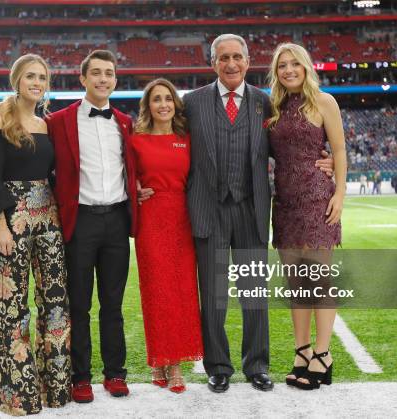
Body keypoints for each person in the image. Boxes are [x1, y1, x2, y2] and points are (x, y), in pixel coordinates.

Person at [139, 34, 334, 394]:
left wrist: (330, 158)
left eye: (237, 57)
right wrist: (139, 176)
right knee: (213, 295)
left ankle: (257, 365)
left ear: (247, 62)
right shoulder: (192, 103)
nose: (231, 64)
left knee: (253, 294)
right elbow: (162, 138)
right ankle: (218, 366)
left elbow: (294, 144)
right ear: (213, 63)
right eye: (223, 57)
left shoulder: (265, 102)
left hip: (251, 208)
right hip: (207, 210)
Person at [0, 54, 71, 415]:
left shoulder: (46, 125)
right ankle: (18, 396)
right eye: (30, 76)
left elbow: (54, 176)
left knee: (55, 304)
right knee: (13, 307)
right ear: (16, 80)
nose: (37, 82)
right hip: (12, 222)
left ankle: (55, 389)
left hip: (49, 220)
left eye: (42, 77)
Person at [45, 50, 137, 403]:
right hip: (79, 221)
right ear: (82, 79)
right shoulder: (59, 121)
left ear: (115, 80)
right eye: (95, 73)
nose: (103, 79)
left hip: (116, 220)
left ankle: (115, 373)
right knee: (78, 305)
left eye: (109, 73)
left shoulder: (125, 122)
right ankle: (79, 377)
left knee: (113, 305)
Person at [268, 42, 346, 390]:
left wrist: (340, 193)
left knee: (319, 279)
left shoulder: (324, 101)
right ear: (276, 71)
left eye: (294, 64)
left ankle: (323, 354)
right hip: (284, 201)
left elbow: (340, 150)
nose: (288, 70)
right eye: (282, 65)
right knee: (296, 282)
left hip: (317, 198)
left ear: (305, 67)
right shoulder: (272, 106)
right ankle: (301, 352)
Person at [130, 78, 203, 393]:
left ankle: (170, 363)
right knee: (155, 292)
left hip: (182, 220)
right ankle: (162, 359)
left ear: (176, 104)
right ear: (148, 106)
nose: (163, 104)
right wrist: (134, 189)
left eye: (168, 99)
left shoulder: (187, 139)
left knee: (181, 292)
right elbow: (125, 176)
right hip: (151, 220)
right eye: (156, 99)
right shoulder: (135, 140)